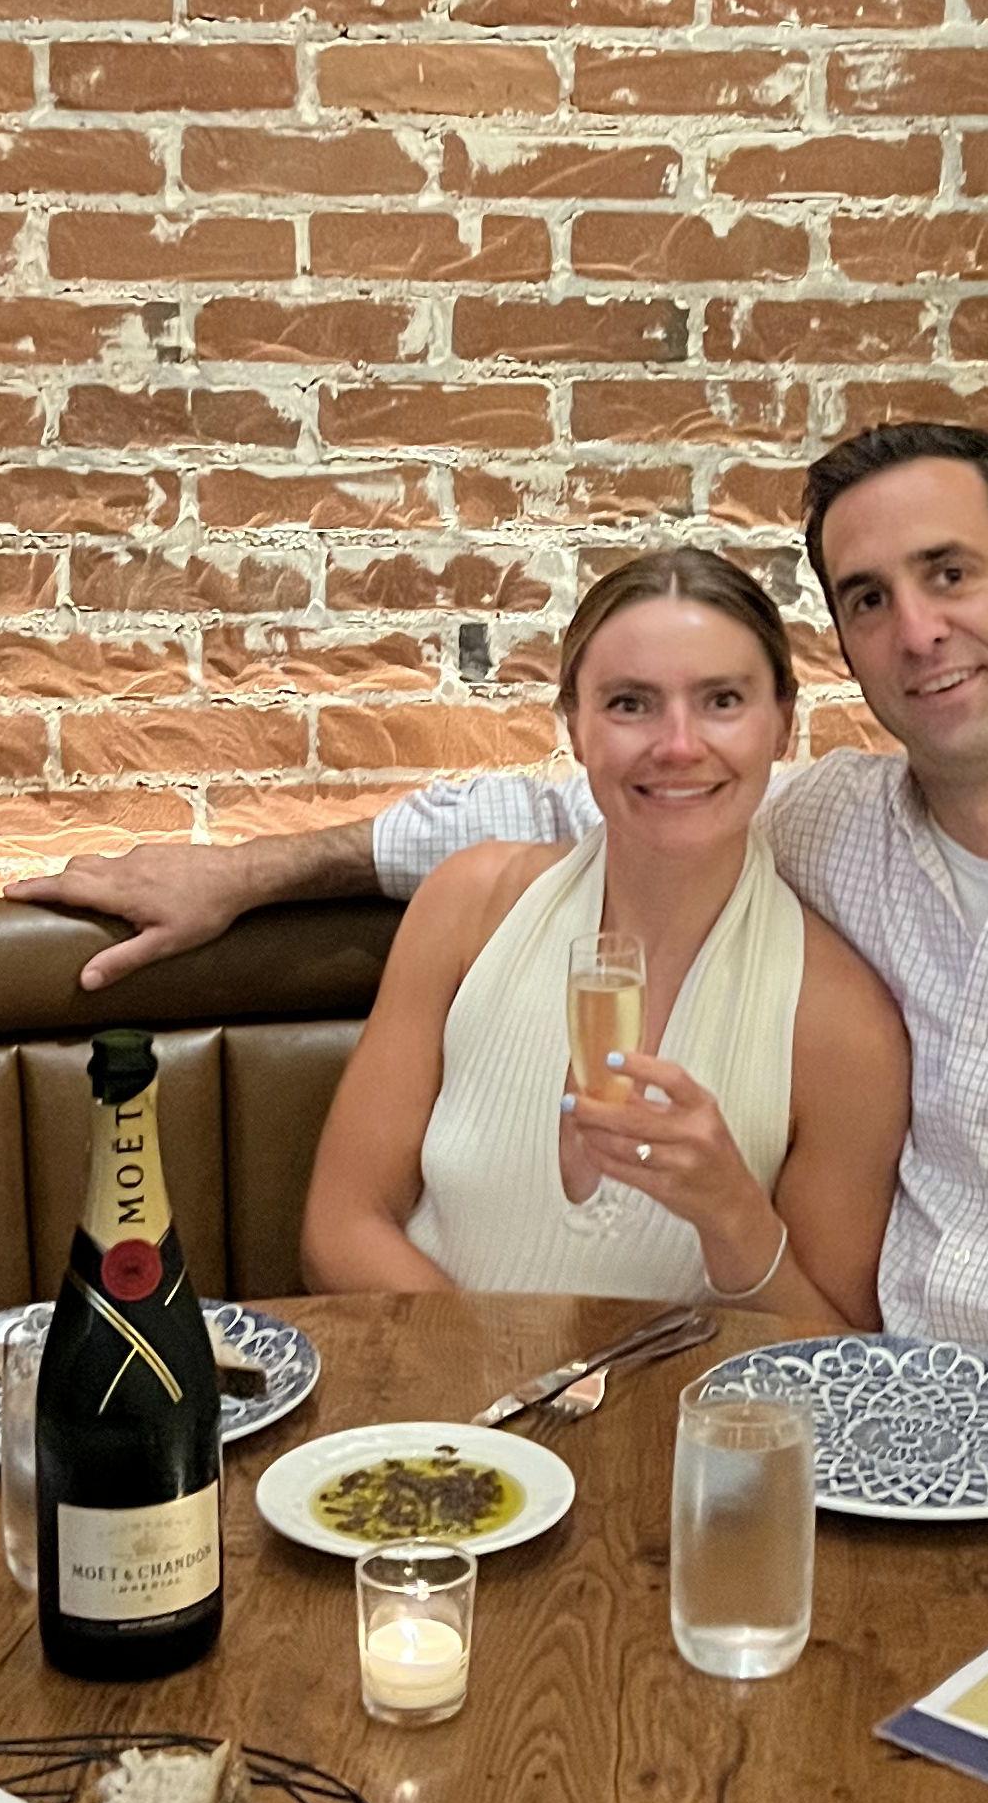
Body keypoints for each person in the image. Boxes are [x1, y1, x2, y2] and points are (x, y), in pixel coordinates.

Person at [17, 428, 988, 1489]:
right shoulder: (837, 824)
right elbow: (596, 802)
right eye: (868, 599)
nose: (917, 630)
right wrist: (249, 868)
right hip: (892, 1460)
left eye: (951, 573)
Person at [298, 545, 907, 1323]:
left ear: (782, 725)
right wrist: (505, 1376)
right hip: (436, 1391)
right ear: (576, 728)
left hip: (675, 1406)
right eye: (630, 704)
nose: (678, 745)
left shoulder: (843, 1025)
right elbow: (340, 1228)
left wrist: (734, 1215)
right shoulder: (470, 906)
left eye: (722, 700)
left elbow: (837, 1352)